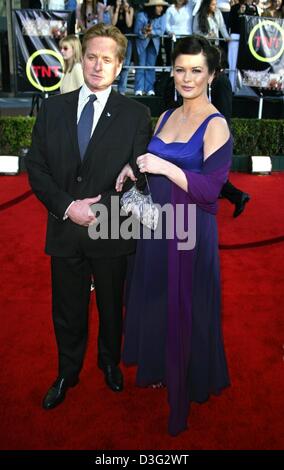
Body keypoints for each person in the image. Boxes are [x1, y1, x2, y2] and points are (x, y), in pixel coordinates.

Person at [26, 23, 151, 410]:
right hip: (65, 227)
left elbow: (140, 173)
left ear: (119, 66)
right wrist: (67, 206)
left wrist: (138, 173)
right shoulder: (53, 108)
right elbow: (37, 167)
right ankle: (67, 370)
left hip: (113, 228)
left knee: (112, 305)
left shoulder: (136, 114)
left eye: (107, 59)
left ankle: (109, 363)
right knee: (66, 306)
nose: (98, 66)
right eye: (92, 57)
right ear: (82, 57)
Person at [116, 34, 232, 436]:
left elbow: (210, 190)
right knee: (157, 300)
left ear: (212, 74)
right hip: (154, 227)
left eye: (197, 70)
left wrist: (165, 169)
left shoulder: (216, 124)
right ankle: (164, 368)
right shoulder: (166, 116)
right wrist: (136, 170)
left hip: (189, 233)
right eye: (180, 69)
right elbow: (156, 159)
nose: (187, 78)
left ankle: (181, 399)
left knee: (184, 309)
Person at [134, 0, 169, 96]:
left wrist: (151, 32)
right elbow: (137, 32)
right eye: (158, 6)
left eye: (162, 6)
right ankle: (139, 89)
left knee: (151, 66)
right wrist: (144, 31)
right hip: (142, 44)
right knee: (141, 66)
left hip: (154, 45)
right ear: (152, 7)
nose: (161, 8)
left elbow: (161, 31)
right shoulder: (141, 15)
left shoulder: (162, 16)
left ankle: (150, 88)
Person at [112, 0, 135, 94]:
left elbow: (129, 24)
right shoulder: (113, 8)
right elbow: (113, 23)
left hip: (127, 39)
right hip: (115, 40)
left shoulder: (130, 9)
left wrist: (126, 10)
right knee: (113, 63)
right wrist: (117, 9)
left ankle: (122, 90)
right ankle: (109, 88)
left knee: (125, 66)